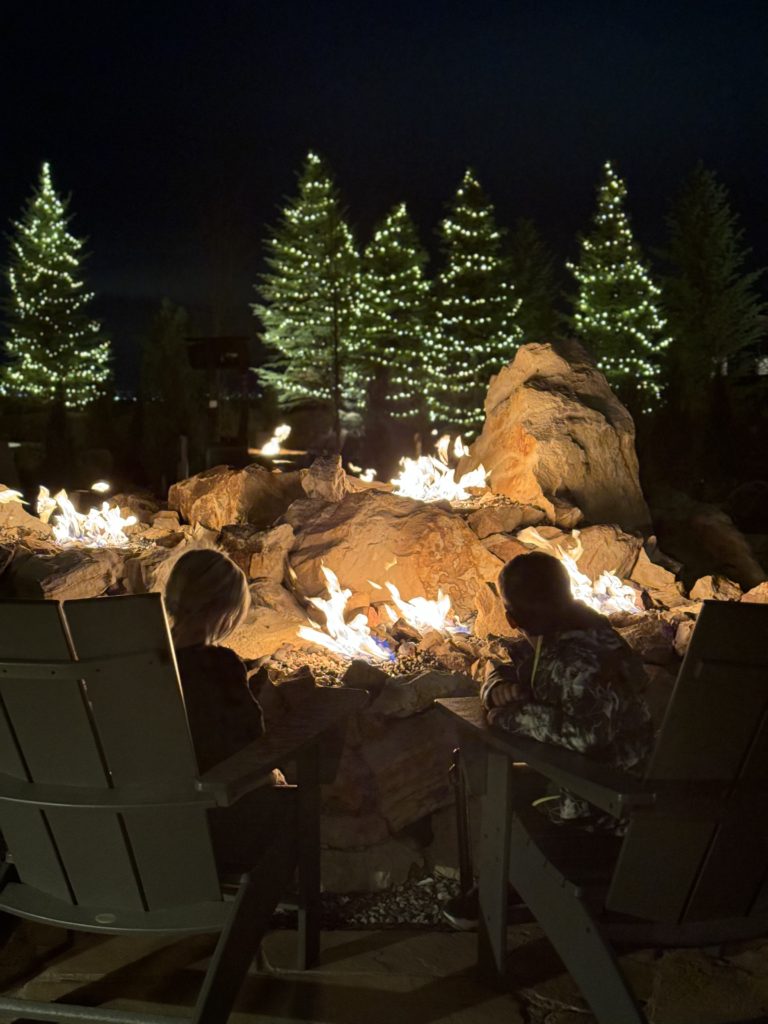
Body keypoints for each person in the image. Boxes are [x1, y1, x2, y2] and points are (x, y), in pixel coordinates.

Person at [442, 550, 653, 929]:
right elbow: (518, 660)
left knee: (486, 776)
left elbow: (585, 735)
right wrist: (496, 686)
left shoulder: (573, 658)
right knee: (495, 775)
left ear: (510, 617)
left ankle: (504, 889)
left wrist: (507, 714)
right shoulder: (594, 634)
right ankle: (507, 886)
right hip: (625, 792)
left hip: (602, 810)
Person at [164, 548, 294, 873]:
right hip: (214, 824)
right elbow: (249, 747)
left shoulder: (140, 664)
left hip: (149, 821)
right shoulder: (218, 666)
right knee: (293, 799)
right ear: (226, 610)